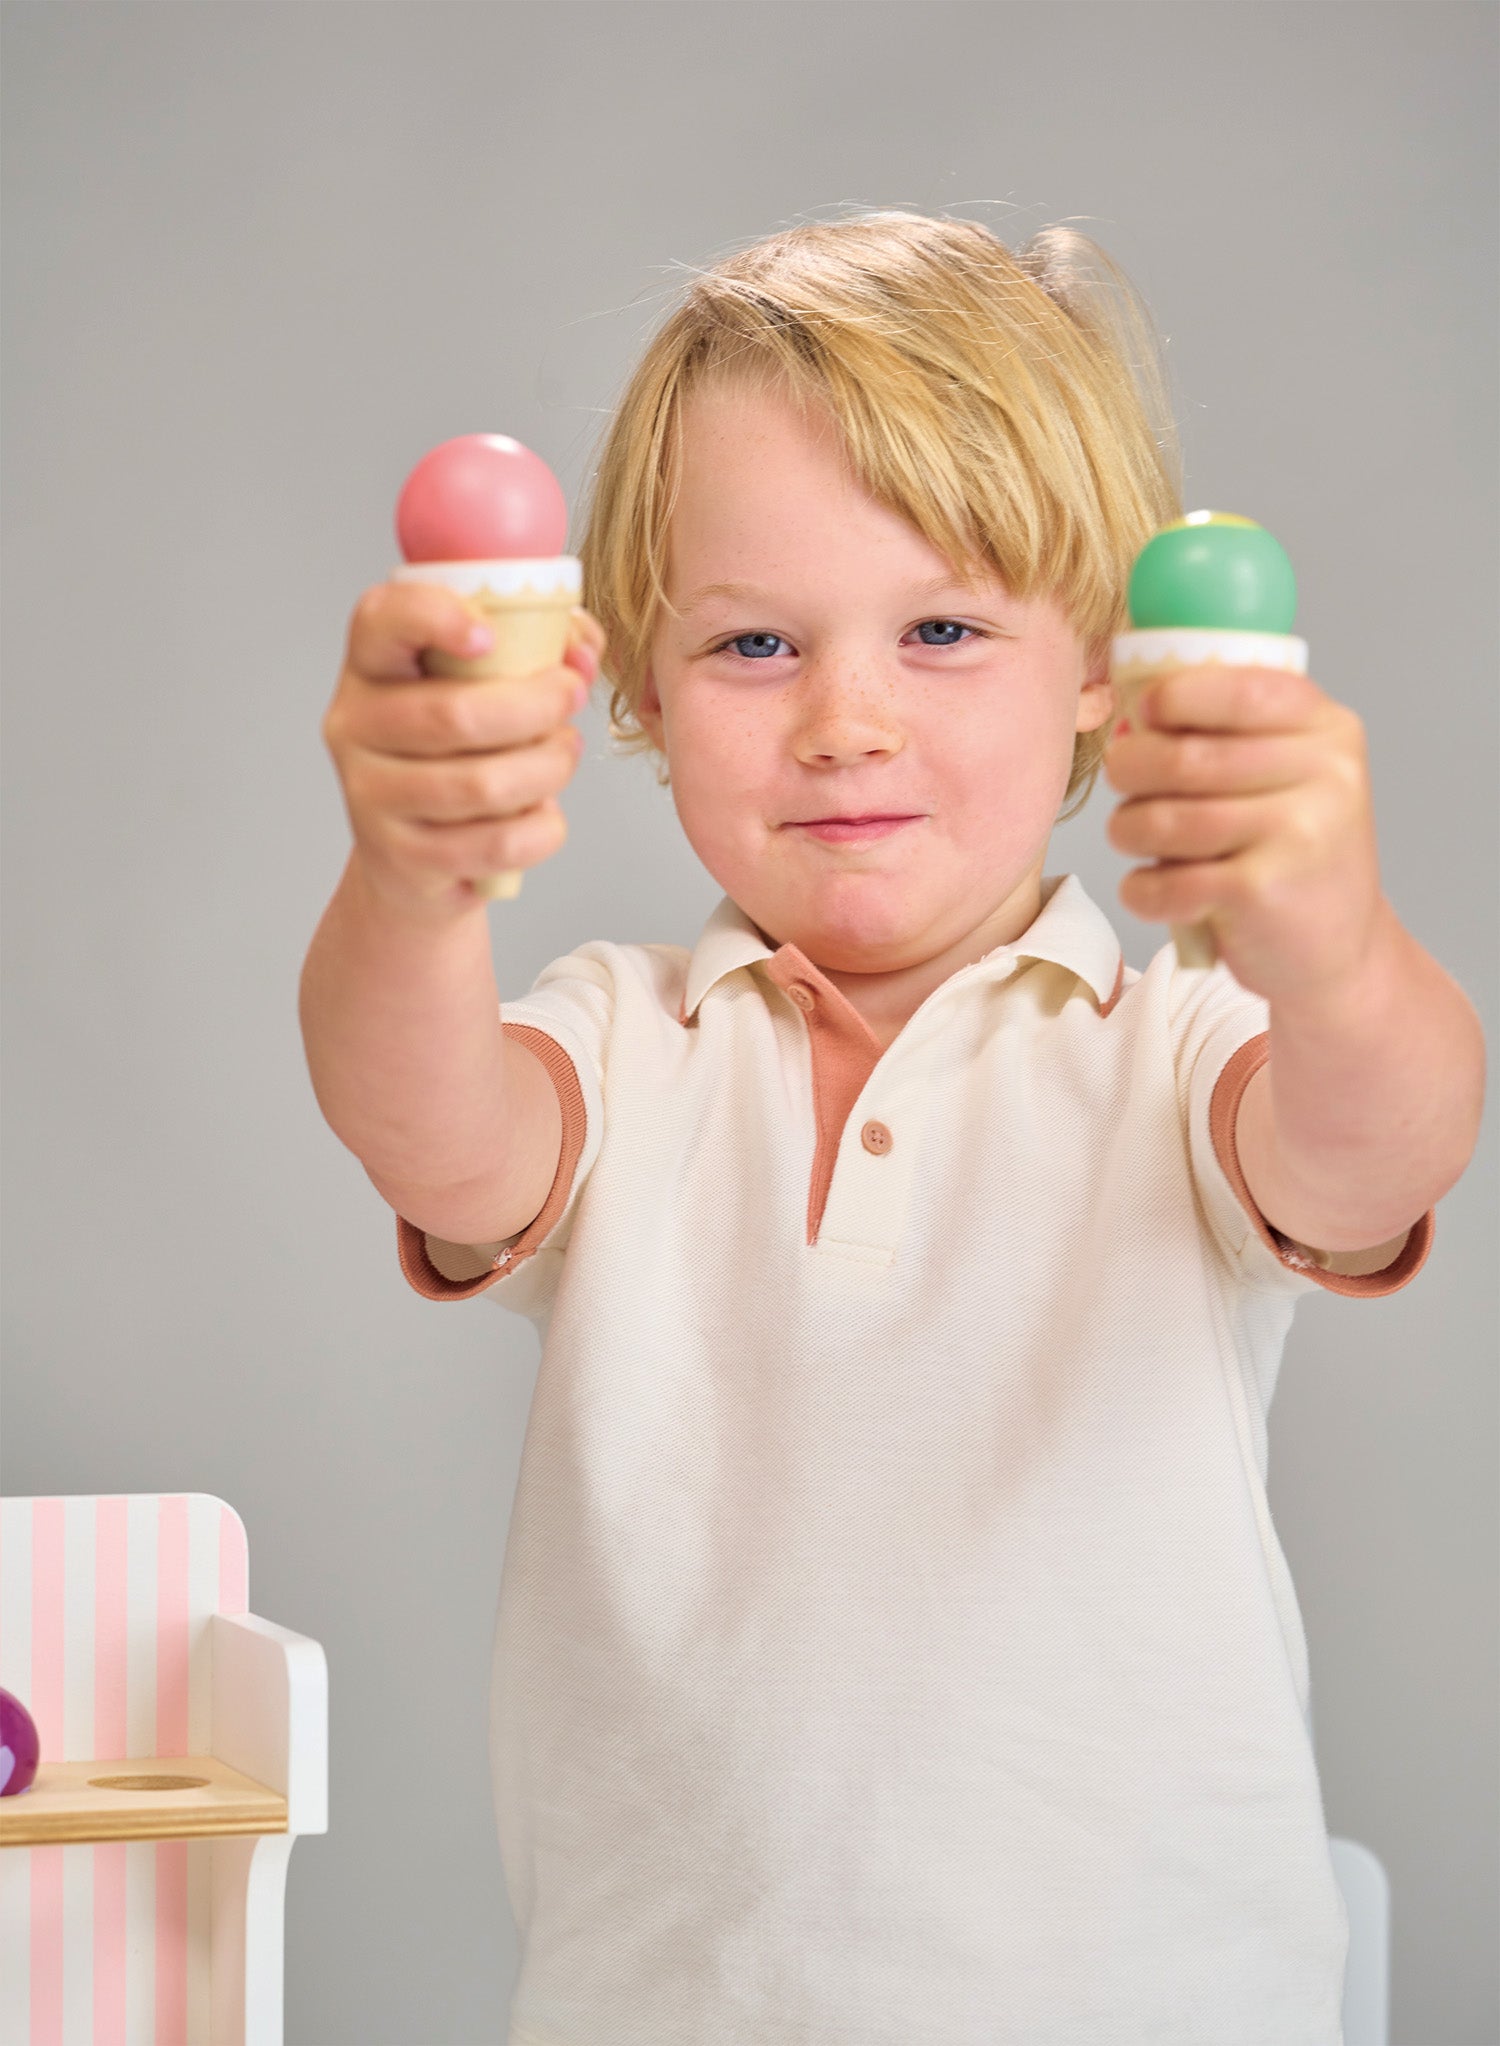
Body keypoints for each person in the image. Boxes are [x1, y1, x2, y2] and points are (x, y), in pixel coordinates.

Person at [299, 212, 1483, 2044]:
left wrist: (1330, 952)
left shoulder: (1175, 1050)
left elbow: (1382, 1144)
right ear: (634, 687)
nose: (848, 721)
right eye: (758, 644)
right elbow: (431, 1131)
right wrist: (411, 877)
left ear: (1100, 660)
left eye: (942, 629)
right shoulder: (628, 1042)